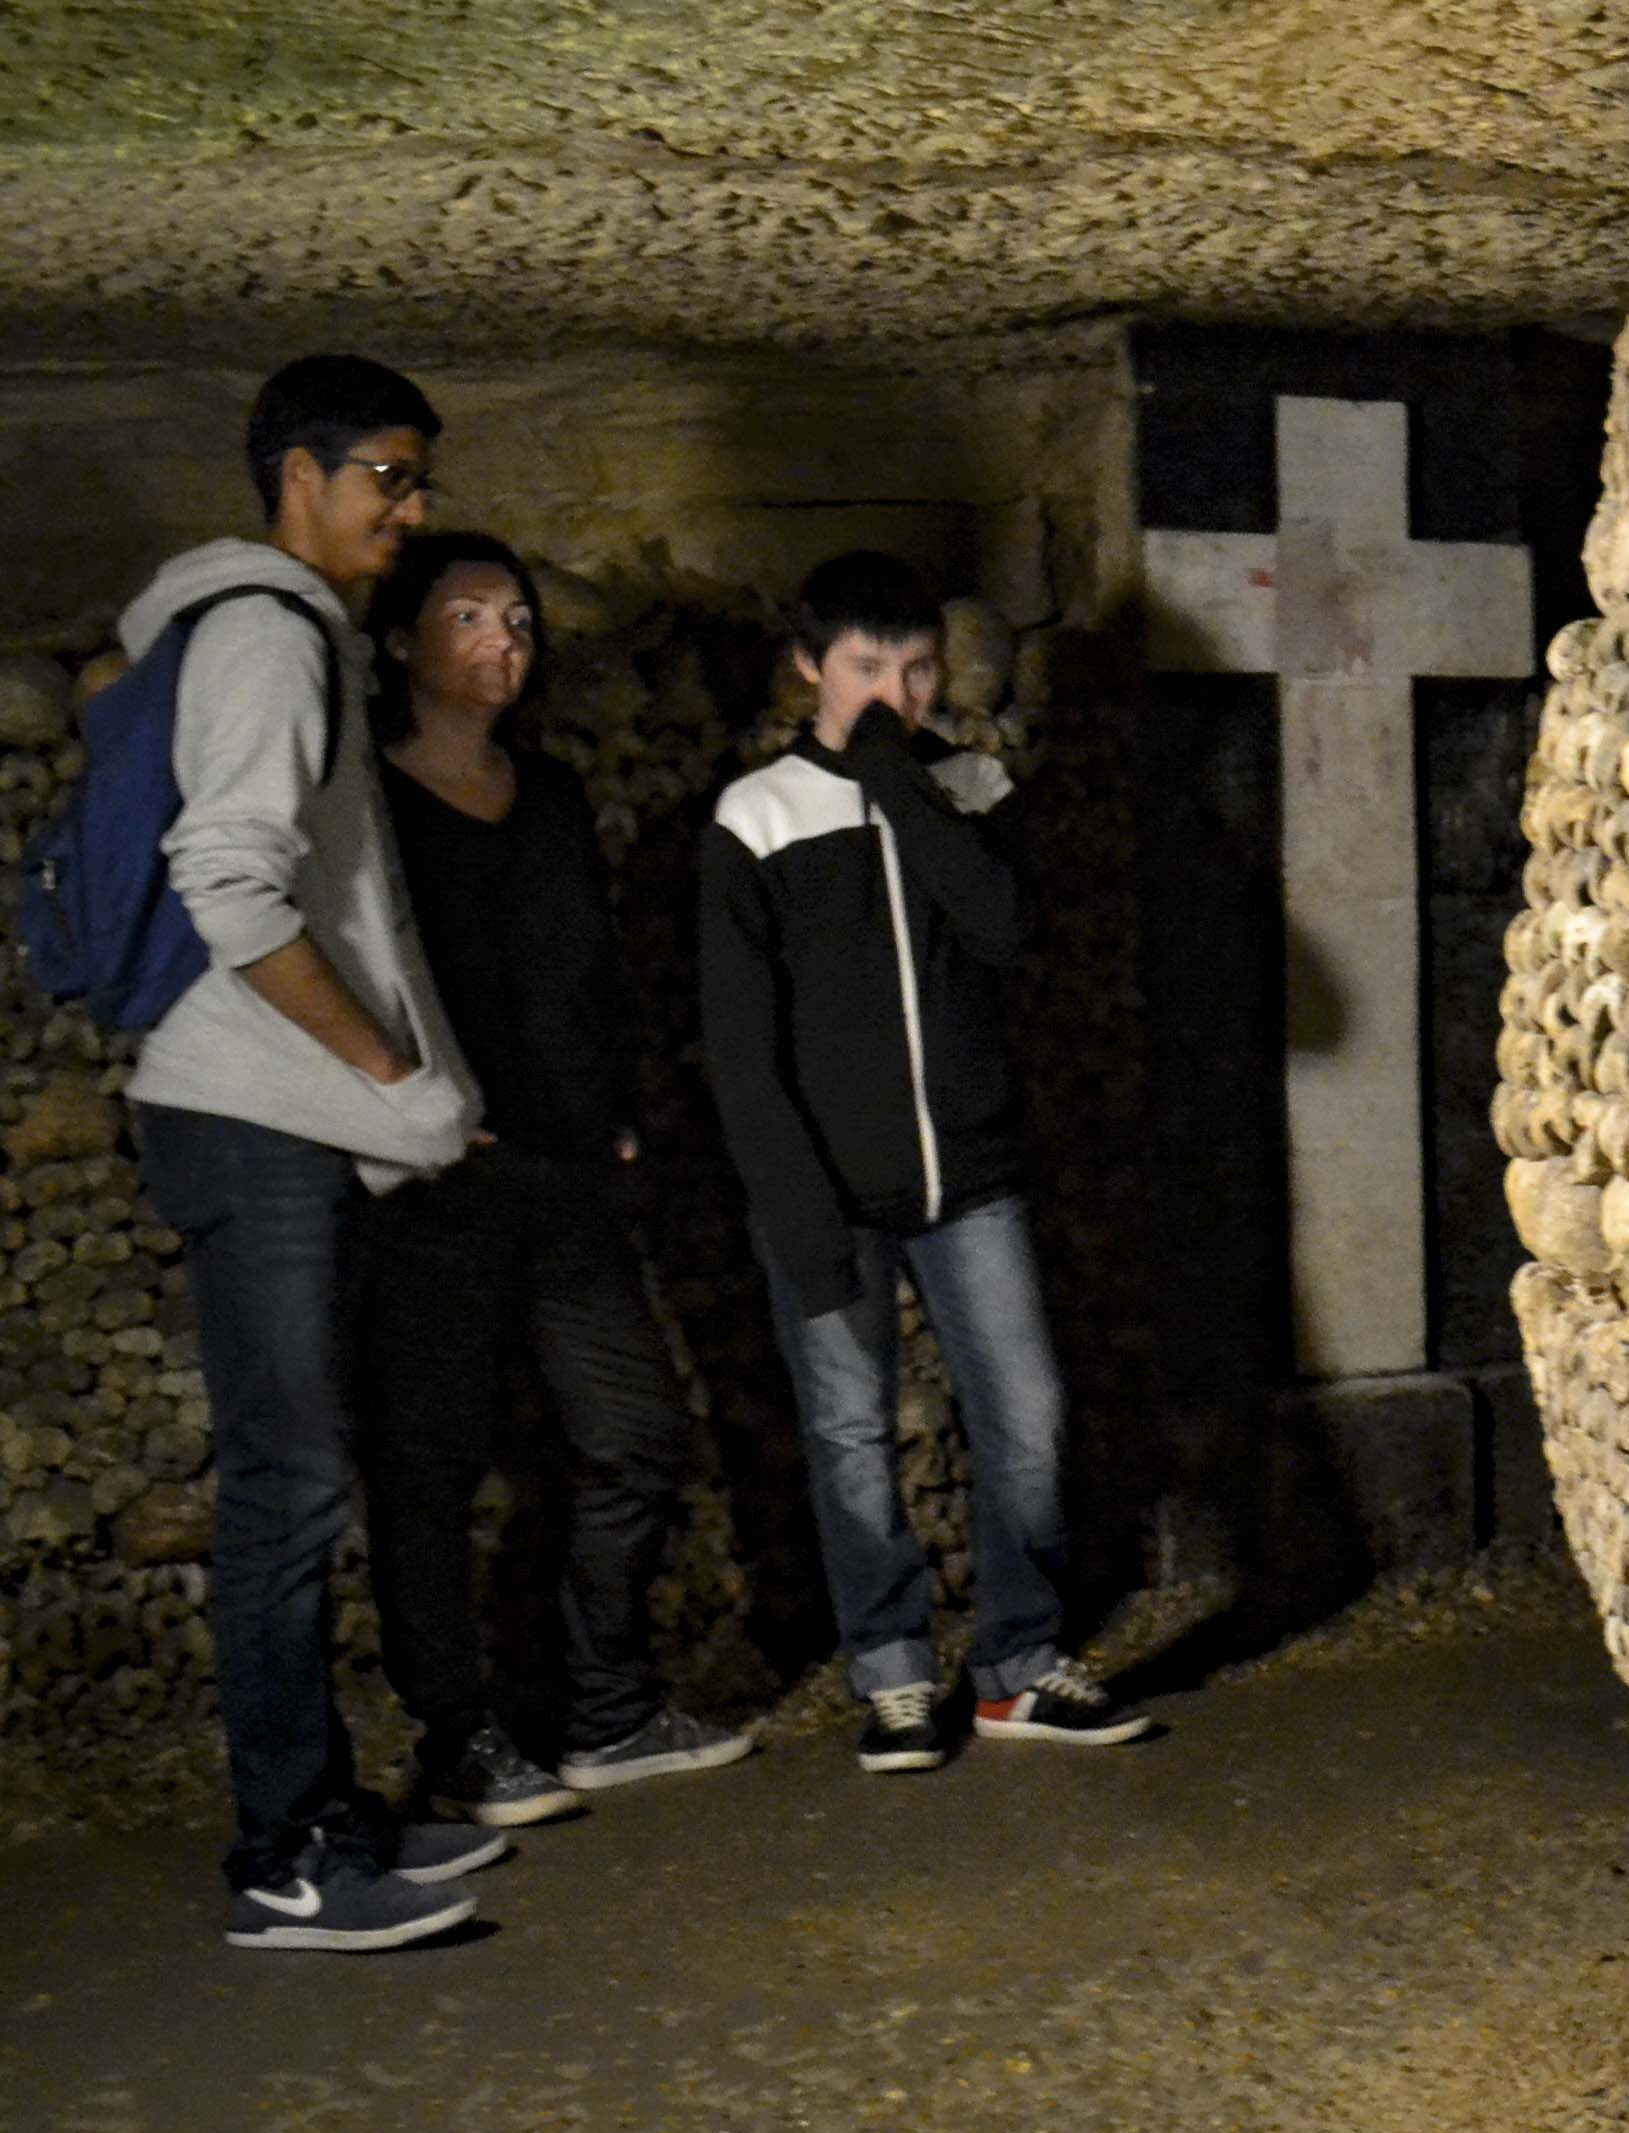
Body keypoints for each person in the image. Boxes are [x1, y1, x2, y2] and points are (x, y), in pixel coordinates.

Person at [122, 356, 501, 1948]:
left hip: (270, 1111)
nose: (409, 514)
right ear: (301, 476)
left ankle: (326, 1809)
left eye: (415, 484)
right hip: (256, 1105)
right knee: (289, 1482)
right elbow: (230, 879)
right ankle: (283, 1856)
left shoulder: (264, 633)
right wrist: (381, 1069)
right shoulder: (270, 635)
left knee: (308, 1468)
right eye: (389, 482)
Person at [699, 550, 1143, 1772]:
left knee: (1031, 1419)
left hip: (975, 1178)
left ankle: (1014, 1667)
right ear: (809, 668)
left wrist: (899, 781)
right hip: (829, 1196)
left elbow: (1004, 932)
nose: (893, 690)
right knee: (848, 1437)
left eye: (915, 666)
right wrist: (794, 1210)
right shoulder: (757, 819)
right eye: (864, 667)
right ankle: (893, 1676)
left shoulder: (973, 786)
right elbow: (740, 1044)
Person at [354, 530, 749, 1825]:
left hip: (571, 1176)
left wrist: (623, 1111)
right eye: (468, 619)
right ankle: (459, 1739)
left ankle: (607, 1710)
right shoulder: (359, 806)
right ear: (402, 640)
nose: (501, 645)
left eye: (519, 621)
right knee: (434, 1465)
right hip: (438, 1181)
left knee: (635, 1435)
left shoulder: (559, 794)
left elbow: (596, 974)